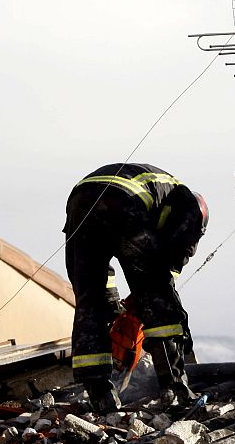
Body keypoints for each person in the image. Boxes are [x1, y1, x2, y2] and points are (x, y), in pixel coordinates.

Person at [63, 163, 208, 413]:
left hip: (80, 200)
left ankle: (99, 393)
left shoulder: (162, 192)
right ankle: (174, 388)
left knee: (90, 301)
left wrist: (116, 307)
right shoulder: (193, 206)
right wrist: (152, 297)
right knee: (158, 300)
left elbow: (94, 276)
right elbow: (173, 255)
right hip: (123, 203)